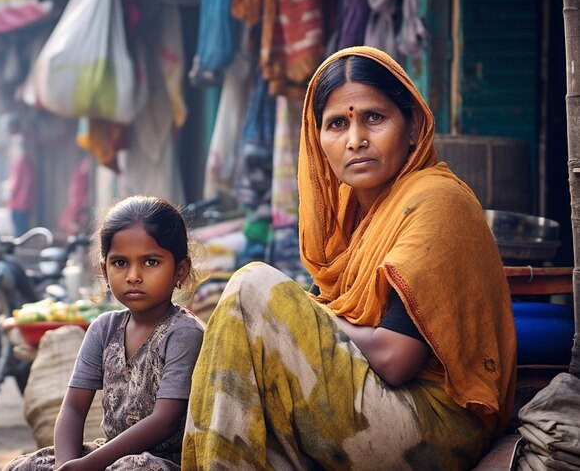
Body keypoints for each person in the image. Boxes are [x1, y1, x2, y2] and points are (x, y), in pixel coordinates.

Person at [182, 46, 517, 470]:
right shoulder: (350, 220)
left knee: (252, 287)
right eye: (337, 124)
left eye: (373, 118)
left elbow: (397, 359)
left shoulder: (435, 201)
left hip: (434, 425)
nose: (356, 139)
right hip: (375, 402)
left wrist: (297, 316)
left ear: (413, 126)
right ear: (318, 140)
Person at [4, 195, 204, 471]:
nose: (133, 275)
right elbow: (73, 408)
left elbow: (165, 420)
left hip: (162, 463)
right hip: (108, 456)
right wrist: (67, 465)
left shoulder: (183, 333)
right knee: (27, 466)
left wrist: (88, 465)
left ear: (180, 269)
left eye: (151, 262)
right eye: (120, 263)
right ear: (104, 269)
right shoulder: (104, 328)